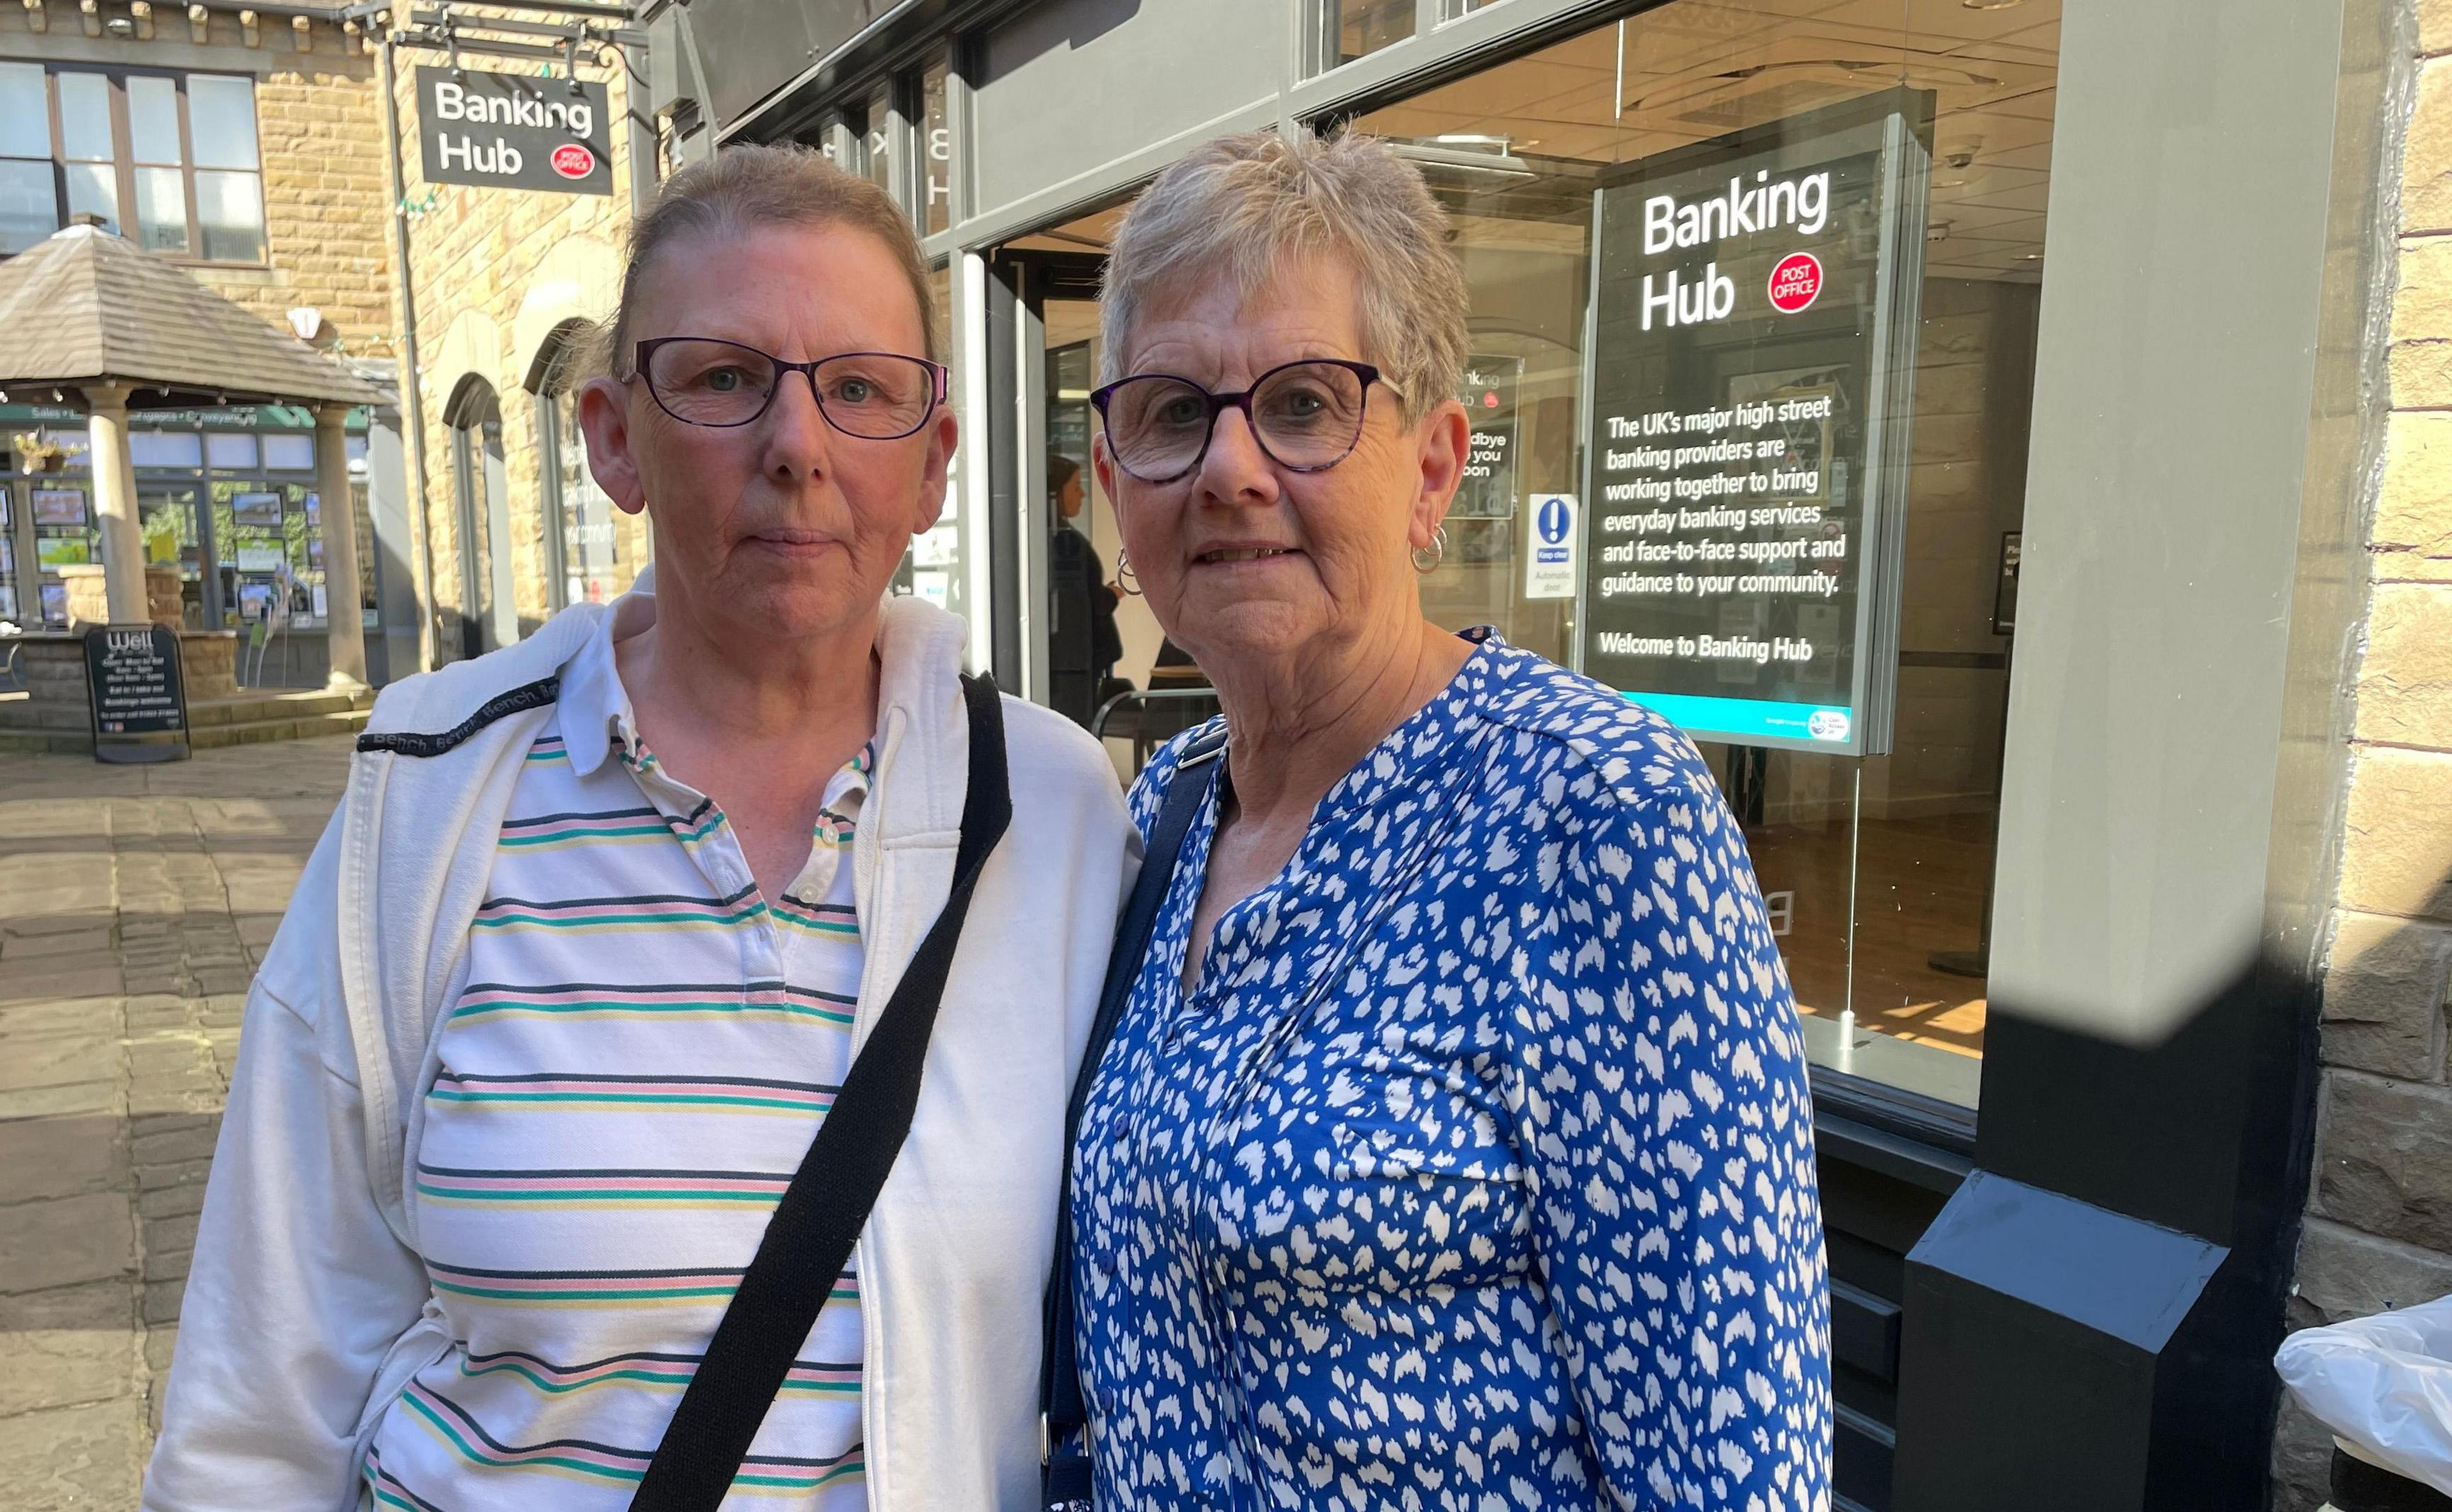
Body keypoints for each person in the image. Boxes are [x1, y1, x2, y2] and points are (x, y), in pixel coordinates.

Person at [143, 145, 1136, 1511]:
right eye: (726, 379)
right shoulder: (436, 789)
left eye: (860, 390)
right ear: (614, 435)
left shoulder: (1052, 809)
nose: (798, 446)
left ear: (934, 465)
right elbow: (263, 1382)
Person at [1066, 131, 1831, 1509]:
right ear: (1117, 486)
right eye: (1175, 412)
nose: (1231, 468)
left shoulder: (1594, 820)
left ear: (1432, 469)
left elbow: (1730, 1466)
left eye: (1302, 403)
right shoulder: (1171, 807)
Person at [1045, 453, 1124, 725]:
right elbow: (1084, 602)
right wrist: (1112, 594)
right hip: (1075, 664)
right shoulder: (1067, 544)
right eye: (1076, 487)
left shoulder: (1055, 540)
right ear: (1056, 493)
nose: (1082, 494)